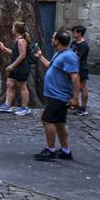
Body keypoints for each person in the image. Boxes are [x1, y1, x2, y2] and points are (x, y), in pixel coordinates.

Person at [31, 30, 82, 161]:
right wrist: (40, 57)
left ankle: (50, 149)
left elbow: (75, 78)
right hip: (55, 95)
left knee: (47, 120)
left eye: (53, 38)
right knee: (59, 122)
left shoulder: (69, 56)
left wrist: (75, 98)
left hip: (60, 96)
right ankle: (65, 151)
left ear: (57, 41)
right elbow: (51, 67)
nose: (51, 40)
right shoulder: (60, 54)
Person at [0, 21, 33, 116]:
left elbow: (23, 55)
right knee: (10, 84)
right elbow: (15, 53)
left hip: (22, 67)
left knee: (22, 86)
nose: (12, 29)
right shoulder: (17, 40)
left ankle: (25, 108)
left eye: (13, 27)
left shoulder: (21, 41)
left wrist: (12, 66)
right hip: (16, 67)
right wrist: (4, 48)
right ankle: (7, 105)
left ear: (16, 30)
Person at [70, 26, 91, 115]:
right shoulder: (74, 43)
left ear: (79, 33)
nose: (73, 33)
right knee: (75, 87)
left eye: (74, 32)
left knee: (82, 87)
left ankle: (83, 107)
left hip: (81, 68)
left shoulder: (84, 45)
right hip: (74, 68)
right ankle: (75, 104)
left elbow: (77, 57)